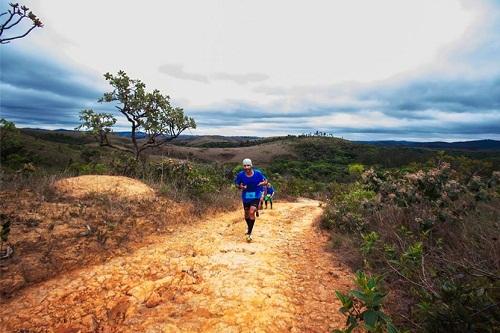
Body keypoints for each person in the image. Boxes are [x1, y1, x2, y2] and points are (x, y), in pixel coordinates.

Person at [234, 158, 267, 242]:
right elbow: (237, 185)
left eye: (248, 165)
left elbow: (266, 181)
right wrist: (241, 187)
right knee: (246, 214)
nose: (246, 167)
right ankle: (249, 227)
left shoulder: (258, 174)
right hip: (246, 196)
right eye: (244, 165)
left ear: (251, 165)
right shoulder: (240, 175)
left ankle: (249, 233)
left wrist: (263, 183)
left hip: (256, 195)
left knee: (252, 212)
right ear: (243, 166)